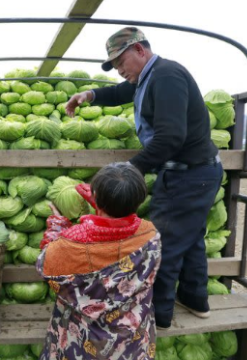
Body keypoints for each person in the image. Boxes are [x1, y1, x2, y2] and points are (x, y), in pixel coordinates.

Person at [65, 27, 223, 330]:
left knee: (164, 244)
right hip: (195, 173)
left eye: (121, 62)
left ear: (140, 50)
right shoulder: (149, 77)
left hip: (189, 175)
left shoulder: (166, 76)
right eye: (113, 66)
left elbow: (170, 136)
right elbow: (122, 92)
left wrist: (131, 168)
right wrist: (90, 95)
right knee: (190, 241)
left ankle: (159, 315)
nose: (119, 70)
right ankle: (195, 299)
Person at [36, 163, 161, 360]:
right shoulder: (150, 235)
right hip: (131, 342)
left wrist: (57, 225)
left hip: (79, 344)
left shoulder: (70, 242)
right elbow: (117, 231)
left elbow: (46, 263)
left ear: (96, 198)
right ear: (139, 200)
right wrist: (107, 207)